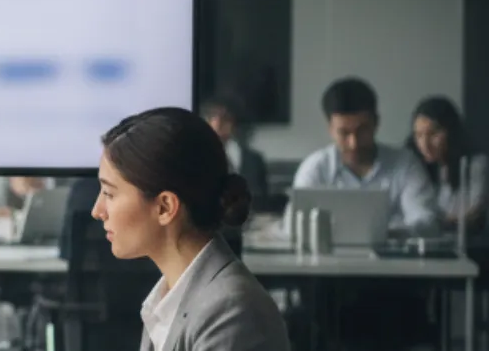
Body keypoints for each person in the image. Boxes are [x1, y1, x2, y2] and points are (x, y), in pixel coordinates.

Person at [92, 107, 290, 351]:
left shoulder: (231, 313)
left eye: (109, 193)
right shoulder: (167, 299)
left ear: (165, 207)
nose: (97, 210)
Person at [292, 77, 439, 235]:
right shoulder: (315, 168)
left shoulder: (405, 164)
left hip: (394, 256)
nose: (353, 143)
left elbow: (426, 220)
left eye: (362, 130)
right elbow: (297, 226)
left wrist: (386, 235)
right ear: (330, 129)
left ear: (376, 123)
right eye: (344, 133)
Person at [407, 96, 487, 232]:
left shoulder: (476, 164)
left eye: (433, 134)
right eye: (419, 135)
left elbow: (474, 214)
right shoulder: (414, 165)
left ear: (451, 132)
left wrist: (436, 222)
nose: (425, 144)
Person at [200, 96, 270, 201]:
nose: (217, 124)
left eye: (224, 118)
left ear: (235, 122)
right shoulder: (196, 157)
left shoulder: (255, 160)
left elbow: (263, 201)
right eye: (212, 117)